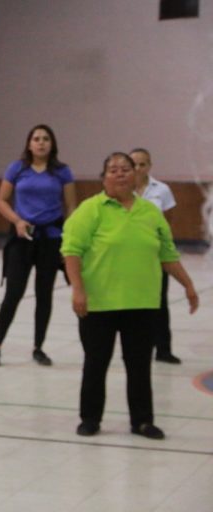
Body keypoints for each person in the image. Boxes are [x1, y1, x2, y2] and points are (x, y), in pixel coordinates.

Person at [62, 152, 198, 440]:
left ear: (136, 176)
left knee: (139, 366)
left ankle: (142, 421)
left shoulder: (150, 213)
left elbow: (167, 254)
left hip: (143, 303)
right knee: (96, 363)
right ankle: (90, 418)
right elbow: (71, 251)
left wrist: (187, 284)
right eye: (113, 169)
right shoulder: (90, 210)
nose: (121, 173)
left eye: (126, 169)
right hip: (99, 303)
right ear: (104, 177)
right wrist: (78, 289)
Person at [0, 124, 76, 367]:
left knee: (44, 294)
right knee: (13, 292)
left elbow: (71, 207)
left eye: (46, 138)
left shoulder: (62, 172)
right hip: (22, 238)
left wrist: (67, 238)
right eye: (36, 138)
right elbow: (1, 200)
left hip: (51, 238)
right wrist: (16, 220)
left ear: (52, 143)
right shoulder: (17, 169)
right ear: (29, 143)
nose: (41, 143)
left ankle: (39, 347)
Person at [130, 148, 181, 364]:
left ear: (149, 166)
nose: (139, 168)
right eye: (134, 164)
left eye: (143, 164)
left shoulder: (162, 190)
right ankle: (135, 347)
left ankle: (163, 349)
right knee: (132, 302)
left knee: (159, 301)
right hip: (128, 255)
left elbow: (168, 222)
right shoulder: (122, 190)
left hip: (155, 254)